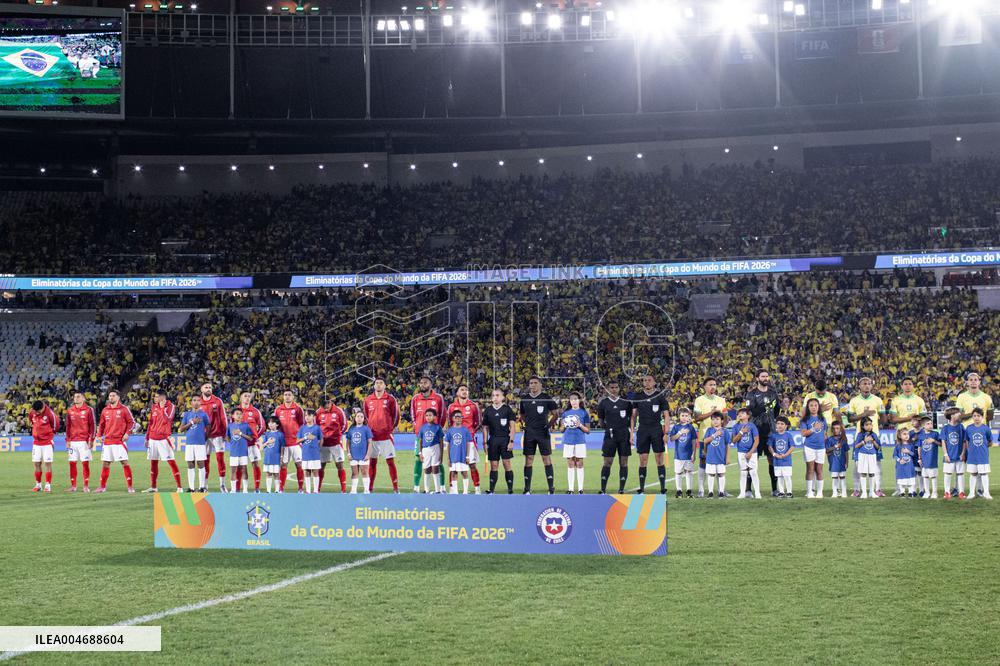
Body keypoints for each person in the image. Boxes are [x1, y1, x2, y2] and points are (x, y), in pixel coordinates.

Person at [518, 376, 559, 494]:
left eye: (535, 383)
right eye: (531, 383)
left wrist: (548, 425)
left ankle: (551, 488)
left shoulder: (546, 398)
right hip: (529, 433)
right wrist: (527, 424)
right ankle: (527, 489)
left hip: (543, 432)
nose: (533, 385)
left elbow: (555, 414)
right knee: (528, 459)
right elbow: (522, 414)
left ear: (540, 384)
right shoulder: (524, 399)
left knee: (546, 458)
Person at [631, 374, 670, 494]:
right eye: (645, 380)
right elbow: (633, 416)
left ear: (654, 382)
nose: (647, 382)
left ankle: (662, 488)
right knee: (643, 460)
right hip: (642, 430)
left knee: (659, 459)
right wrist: (631, 433)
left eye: (649, 380)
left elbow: (666, 415)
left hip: (656, 430)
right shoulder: (638, 396)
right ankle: (641, 488)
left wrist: (666, 432)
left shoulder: (660, 396)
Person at [743, 369, 780, 496]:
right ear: (757, 378)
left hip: (770, 431)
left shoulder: (773, 393)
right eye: (763, 376)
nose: (765, 378)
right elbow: (751, 411)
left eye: (767, 376)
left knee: (772, 459)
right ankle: (748, 490)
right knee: (753, 460)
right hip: (756, 431)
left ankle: (775, 490)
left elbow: (777, 410)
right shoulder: (751, 394)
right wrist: (766, 408)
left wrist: (771, 420)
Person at [845, 377, 884, 497]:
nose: (867, 385)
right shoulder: (854, 401)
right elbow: (850, 419)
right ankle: (857, 489)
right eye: (864, 384)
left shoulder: (877, 400)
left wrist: (874, 426)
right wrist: (864, 414)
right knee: (857, 464)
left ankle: (877, 489)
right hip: (860, 436)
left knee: (877, 464)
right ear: (859, 386)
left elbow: (883, 418)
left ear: (872, 386)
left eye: (869, 383)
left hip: (874, 436)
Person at [94, 390, 136, 494]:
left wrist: (127, 433)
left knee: (124, 462)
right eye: (110, 396)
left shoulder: (124, 409)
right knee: (105, 464)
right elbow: (102, 425)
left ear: (118, 397)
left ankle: (130, 487)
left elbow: (132, 422)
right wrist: (99, 435)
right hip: (107, 441)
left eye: (113, 396)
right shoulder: (105, 410)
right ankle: (102, 487)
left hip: (119, 441)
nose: (111, 397)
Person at [363, 378, 400, 493]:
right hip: (372, 437)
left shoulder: (390, 399)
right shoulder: (368, 400)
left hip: (386, 436)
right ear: (374, 386)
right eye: (376, 383)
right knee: (372, 463)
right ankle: (369, 489)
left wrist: (389, 428)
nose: (378, 385)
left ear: (385, 386)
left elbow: (396, 415)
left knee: (390, 462)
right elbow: (367, 416)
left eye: (381, 383)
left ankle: (395, 489)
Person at [410, 376, 446, 492]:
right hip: (420, 435)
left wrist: (437, 430)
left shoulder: (438, 398)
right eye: (421, 383)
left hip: (435, 436)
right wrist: (417, 428)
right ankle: (416, 487)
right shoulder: (415, 398)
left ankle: (442, 487)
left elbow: (442, 415)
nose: (422, 385)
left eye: (425, 383)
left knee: (438, 461)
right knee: (418, 460)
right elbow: (413, 415)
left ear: (430, 385)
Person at [596, 380, 632, 494]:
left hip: (624, 435)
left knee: (624, 462)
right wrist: (608, 428)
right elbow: (601, 421)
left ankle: (621, 489)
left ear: (619, 388)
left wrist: (630, 433)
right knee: (607, 462)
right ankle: (603, 489)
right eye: (611, 387)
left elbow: (631, 418)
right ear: (607, 389)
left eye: (616, 387)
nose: (614, 389)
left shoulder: (626, 402)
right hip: (610, 436)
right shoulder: (603, 403)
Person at [143, 390, 181, 493]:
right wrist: (147, 438)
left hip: (164, 439)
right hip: (152, 439)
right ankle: (153, 487)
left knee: (171, 462)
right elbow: (151, 423)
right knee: (153, 463)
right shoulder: (154, 407)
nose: (154, 398)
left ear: (162, 397)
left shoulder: (170, 406)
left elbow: (168, 419)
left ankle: (179, 487)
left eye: (156, 397)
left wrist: (162, 408)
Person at [693, 378, 727, 496]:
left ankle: (721, 490)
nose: (713, 386)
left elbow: (725, 418)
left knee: (719, 462)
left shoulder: (721, 400)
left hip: (719, 437)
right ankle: (701, 490)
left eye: (715, 384)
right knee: (703, 461)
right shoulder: (699, 400)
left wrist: (723, 425)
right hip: (704, 436)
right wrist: (711, 413)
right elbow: (697, 418)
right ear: (704, 387)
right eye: (710, 384)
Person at [448, 384, 483, 494]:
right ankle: (452, 488)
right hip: (456, 441)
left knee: (472, 465)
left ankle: (477, 488)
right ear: (457, 393)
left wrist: (469, 433)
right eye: (462, 390)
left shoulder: (473, 406)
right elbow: (450, 423)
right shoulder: (452, 407)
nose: (464, 391)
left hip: (469, 441)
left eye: (466, 390)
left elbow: (478, 423)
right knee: (454, 465)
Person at [481, 389, 517, 494]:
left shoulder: (507, 409)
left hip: (505, 439)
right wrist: (485, 442)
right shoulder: (488, 410)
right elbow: (485, 428)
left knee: (507, 463)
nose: (495, 397)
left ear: (502, 397)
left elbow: (512, 427)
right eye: (493, 395)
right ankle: (491, 490)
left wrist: (511, 441)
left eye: (497, 395)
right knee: (494, 465)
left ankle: (510, 489)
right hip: (493, 440)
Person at [199, 382, 229, 493]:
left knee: (220, 460)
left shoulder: (217, 401)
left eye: (210, 387)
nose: (208, 389)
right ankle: (204, 486)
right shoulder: (198, 402)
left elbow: (223, 418)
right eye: (206, 387)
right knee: (205, 461)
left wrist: (225, 433)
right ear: (201, 389)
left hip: (218, 435)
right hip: (205, 436)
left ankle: (222, 485)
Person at [64, 392, 96, 493]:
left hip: (84, 441)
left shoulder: (89, 410)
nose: (76, 398)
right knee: (72, 463)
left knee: (85, 463)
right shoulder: (70, 410)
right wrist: (67, 440)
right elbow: (68, 426)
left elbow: (93, 425)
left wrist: (91, 439)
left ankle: (85, 486)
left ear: (83, 399)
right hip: (73, 441)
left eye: (78, 397)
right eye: (75, 397)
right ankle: (73, 486)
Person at [274, 390, 305, 492]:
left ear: (293, 397)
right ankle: (281, 488)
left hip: (296, 442)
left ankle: (300, 488)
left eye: (289, 395)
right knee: (283, 465)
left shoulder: (298, 409)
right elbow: (276, 425)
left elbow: (302, 424)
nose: (287, 396)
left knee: (299, 464)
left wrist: (300, 439)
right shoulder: (278, 409)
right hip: (284, 443)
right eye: (285, 395)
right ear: (283, 397)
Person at [179, 396, 211, 492]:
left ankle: (202, 487)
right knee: (190, 464)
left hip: (200, 443)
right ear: (191, 402)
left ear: (200, 402)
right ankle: (191, 488)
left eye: (198, 400)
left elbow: (208, 428)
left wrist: (204, 438)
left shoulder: (204, 415)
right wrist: (192, 422)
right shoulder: (187, 414)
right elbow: (181, 429)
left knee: (201, 463)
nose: (196, 402)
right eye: (194, 400)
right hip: (189, 443)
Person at [560, 392, 590, 494]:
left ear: (579, 400)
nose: (574, 401)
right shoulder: (565, 413)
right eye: (572, 399)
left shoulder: (584, 413)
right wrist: (564, 425)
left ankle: (580, 489)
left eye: (575, 399)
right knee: (570, 463)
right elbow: (561, 430)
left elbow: (588, 430)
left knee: (579, 463)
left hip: (580, 441)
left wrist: (580, 425)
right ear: (569, 401)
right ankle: (571, 489)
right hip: (568, 441)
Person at [316, 399, 347, 493]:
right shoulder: (319, 411)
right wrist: (320, 437)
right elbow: (316, 426)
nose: (324, 408)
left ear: (330, 402)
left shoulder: (339, 411)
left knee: (340, 465)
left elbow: (344, 425)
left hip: (335, 443)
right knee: (321, 466)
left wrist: (336, 434)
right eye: (323, 407)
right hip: (323, 444)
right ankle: (317, 489)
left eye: (326, 406)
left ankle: (343, 490)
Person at [963, 408, 993, 500]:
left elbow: (990, 442)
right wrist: (968, 451)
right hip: (972, 456)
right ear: (972, 417)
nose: (976, 418)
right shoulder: (969, 428)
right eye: (974, 416)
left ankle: (986, 492)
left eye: (978, 416)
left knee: (984, 474)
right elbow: (966, 441)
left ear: (982, 417)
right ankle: (971, 492)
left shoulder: (986, 428)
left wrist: (983, 448)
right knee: (973, 474)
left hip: (983, 456)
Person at [238, 391, 266, 492]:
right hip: (240, 445)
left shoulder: (255, 411)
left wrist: (255, 437)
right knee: (242, 466)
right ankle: (243, 489)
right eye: (245, 396)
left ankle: (257, 488)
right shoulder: (236, 411)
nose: (247, 398)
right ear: (241, 398)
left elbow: (262, 427)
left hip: (252, 444)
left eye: (249, 396)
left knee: (255, 464)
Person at [29, 400, 59, 493]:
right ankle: (38, 485)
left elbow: (56, 427)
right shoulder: (32, 412)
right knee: (36, 463)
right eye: (36, 411)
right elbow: (31, 421)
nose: (37, 413)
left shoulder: (50, 414)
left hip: (47, 442)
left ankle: (48, 485)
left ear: (43, 407)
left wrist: (47, 434)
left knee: (47, 463)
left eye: (38, 411)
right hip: (36, 442)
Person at [800, 397, 827, 499]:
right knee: (810, 469)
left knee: (819, 469)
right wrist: (813, 428)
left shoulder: (822, 419)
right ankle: (809, 492)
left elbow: (824, 433)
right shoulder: (805, 420)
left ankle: (820, 492)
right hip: (809, 447)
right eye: (811, 405)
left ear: (818, 407)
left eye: (815, 405)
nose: (814, 407)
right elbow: (803, 433)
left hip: (821, 447)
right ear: (808, 407)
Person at [667, 407, 698, 498]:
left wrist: (694, 453)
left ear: (689, 417)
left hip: (688, 455)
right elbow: (672, 439)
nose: (684, 417)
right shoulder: (676, 427)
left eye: (686, 416)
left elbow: (694, 441)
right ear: (679, 416)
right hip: (678, 455)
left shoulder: (691, 427)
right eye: (682, 415)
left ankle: (689, 491)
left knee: (689, 472)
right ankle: (679, 491)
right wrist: (680, 433)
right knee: (678, 473)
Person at [732, 408, 760, 499]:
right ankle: (742, 493)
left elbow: (756, 440)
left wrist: (751, 452)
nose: (740, 415)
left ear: (748, 415)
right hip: (741, 452)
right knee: (743, 473)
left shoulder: (752, 426)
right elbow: (734, 440)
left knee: (753, 472)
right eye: (739, 413)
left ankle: (757, 493)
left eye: (743, 413)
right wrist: (741, 432)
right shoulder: (736, 426)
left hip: (752, 452)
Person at [445, 410, 475, 494]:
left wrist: (467, 456)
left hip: (463, 456)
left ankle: (465, 491)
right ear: (453, 418)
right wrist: (448, 458)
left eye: (460, 417)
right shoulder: (450, 431)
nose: (458, 418)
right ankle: (455, 492)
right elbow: (448, 445)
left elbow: (468, 443)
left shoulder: (465, 430)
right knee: (454, 473)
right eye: (457, 417)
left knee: (464, 472)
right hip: (453, 456)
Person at [940, 407, 966, 499]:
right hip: (949, 456)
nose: (959, 415)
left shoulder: (961, 427)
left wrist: (963, 453)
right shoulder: (945, 428)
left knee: (960, 473)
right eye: (957, 413)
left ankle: (961, 492)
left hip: (959, 455)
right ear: (952, 416)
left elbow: (964, 441)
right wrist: (945, 454)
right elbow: (943, 442)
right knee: (948, 473)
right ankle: (947, 492)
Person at [702, 412, 731, 498]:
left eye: (717, 419)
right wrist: (715, 435)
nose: (715, 421)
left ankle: (721, 491)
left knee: (721, 474)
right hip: (711, 457)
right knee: (711, 474)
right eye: (713, 419)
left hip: (721, 457)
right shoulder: (709, 430)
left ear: (722, 421)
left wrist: (727, 457)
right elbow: (705, 441)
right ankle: (710, 492)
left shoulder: (725, 431)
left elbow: (728, 445)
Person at [416, 408, 444, 494]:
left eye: (430, 415)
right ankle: (426, 490)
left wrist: (441, 454)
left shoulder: (438, 427)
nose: (428, 417)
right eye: (427, 415)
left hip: (435, 448)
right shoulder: (423, 427)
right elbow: (420, 441)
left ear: (434, 417)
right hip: (425, 449)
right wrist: (420, 453)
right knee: (427, 469)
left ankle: (437, 490)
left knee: (435, 468)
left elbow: (441, 441)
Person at [345, 410, 373, 494]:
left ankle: (366, 490)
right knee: (354, 473)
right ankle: (353, 490)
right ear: (355, 418)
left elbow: (370, 442)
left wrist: (368, 454)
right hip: (353, 455)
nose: (359, 418)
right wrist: (348, 454)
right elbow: (348, 442)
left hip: (363, 455)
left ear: (364, 419)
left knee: (364, 472)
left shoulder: (366, 429)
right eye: (358, 416)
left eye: (361, 417)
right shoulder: (351, 429)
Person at [227, 408, 254, 494]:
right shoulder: (230, 426)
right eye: (237, 414)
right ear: (233, 416)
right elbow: (227, 437)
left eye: (240, 414)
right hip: (233, 452)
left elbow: (250, 438)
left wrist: (240, 434)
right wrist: (231, 442)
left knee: (244, 469)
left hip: (243, 452)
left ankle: (245, 490)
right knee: (233, 470)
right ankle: (233, 490)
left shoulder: (246, 426)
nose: (239, 415)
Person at [767, 417, 795, 497]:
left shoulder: (788, 435)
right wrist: (774, 454)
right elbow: (770, 446)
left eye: (782, 424)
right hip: (777, 461)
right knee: (779, 477)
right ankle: (781, 492)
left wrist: (785, 455)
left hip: (786, 461)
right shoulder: (773, 435)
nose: (780, 425)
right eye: (778, 423)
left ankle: (789, 492)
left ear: (786, 426)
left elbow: (792, 446)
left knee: (787, 476)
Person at [853, 417, 880, 499]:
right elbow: (856, 446)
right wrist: (864, 441)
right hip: (862, 455)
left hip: (872, 455)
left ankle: (872, 492)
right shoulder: (860, 435)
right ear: (862, 426)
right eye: (866, 425)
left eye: (870, 424)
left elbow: (878, 447)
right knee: (863, 473)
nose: (869, 426)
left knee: (872, 473)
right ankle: (864, 492)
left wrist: (873, 441)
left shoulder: (874, 435)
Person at [297, 410, 323, 494]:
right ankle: (308, 491)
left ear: (314, 417)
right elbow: (297, 441)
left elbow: (321, 439)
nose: (307, 417)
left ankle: (315, 491)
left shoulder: (317, 428)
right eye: (305, 415)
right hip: (305, 453)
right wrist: (306, 437)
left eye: (309, 415)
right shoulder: (302, 428)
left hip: (315, 454)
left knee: (315, 471)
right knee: (307, 472)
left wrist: (319, 449)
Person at [915, 416, 940, 499]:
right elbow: (919, 447)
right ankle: (927, 492)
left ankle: (934, 492)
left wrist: (934, 441)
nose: (930, 425)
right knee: (925, 476)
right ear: (923, 426)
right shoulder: (920, 435)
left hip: (932, 459)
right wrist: (919, 458)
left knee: (933, 476)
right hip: (924, 460)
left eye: (931, 423)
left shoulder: (935, 434)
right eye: (928, 424)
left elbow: (941, 444)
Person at [260, 418, 285, 493]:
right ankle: (268, 491)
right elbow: (262, 447)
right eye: (269, 423)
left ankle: (277, 490)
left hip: (276, 457)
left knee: (276, 474)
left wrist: (281, 457)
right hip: (268, 457)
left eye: (272, 423)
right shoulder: (266, 434)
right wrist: (268, 442)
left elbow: (282, 446)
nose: (270, 424)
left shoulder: (280, 434)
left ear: (277, 424)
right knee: (268, 473)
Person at [825, 422, 850, 498]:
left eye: (837, 428)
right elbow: (827, 450)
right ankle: (834, 493)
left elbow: (846, 452)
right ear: (832, 430)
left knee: (842, 477)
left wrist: (847, 462)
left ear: (840, 429)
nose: (835, 430)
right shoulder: (830, 440)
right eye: (834, 428)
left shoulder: (843, 440)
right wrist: (835, 446)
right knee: (834, 477)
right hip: (833, 462)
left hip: (842, 462)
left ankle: (844, 492)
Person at [894, 430, 917, 498]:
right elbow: (894, 455)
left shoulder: (911, 445)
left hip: (909, 466)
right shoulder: (898, 446)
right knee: (901, 479)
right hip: (901, 466)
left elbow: (914, 454)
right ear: (900, 436)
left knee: (910, 479)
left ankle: (910, 492)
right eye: (904, 434)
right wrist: (899, 460)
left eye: (907, 434)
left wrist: (908, 452)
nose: (907, 435)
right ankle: (902, 492)